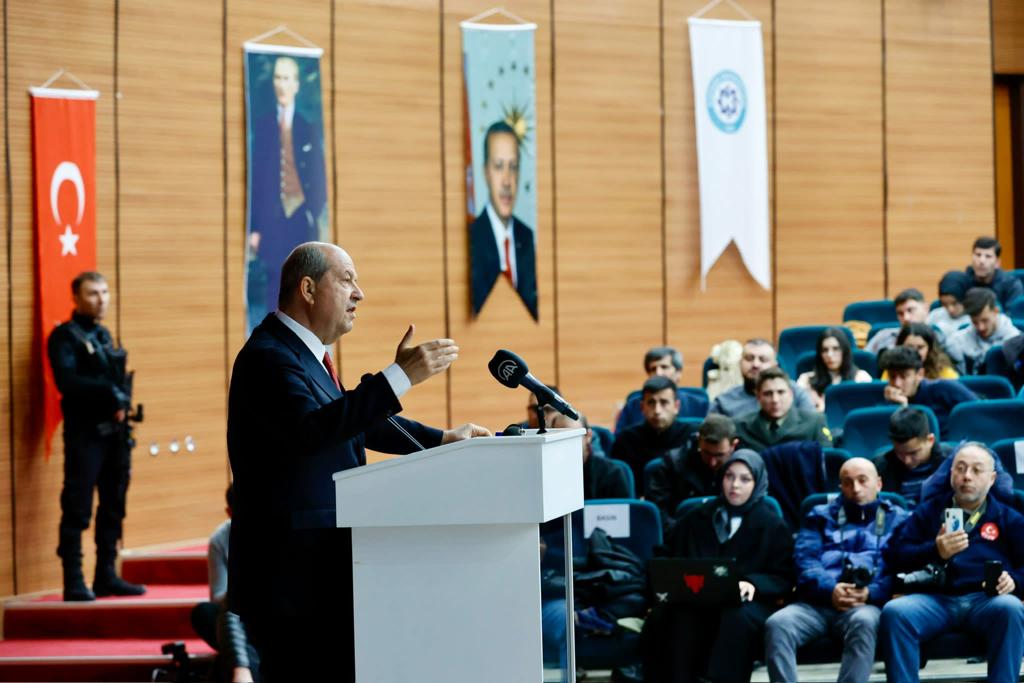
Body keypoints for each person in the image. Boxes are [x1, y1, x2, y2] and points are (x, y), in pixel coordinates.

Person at [227, 242, 490, 681]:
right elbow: (314, 429)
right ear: (308, 289)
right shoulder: (267, 356)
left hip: (316, 570)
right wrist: (400, 376)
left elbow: (352, 423)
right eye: (347, 280)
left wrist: (442, 439)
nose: (359, 293)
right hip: (290, 575)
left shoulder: (303, 355)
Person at [642, 450, 794, 682]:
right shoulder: (696, 517)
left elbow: (784, 575)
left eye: (745, 479)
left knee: (736, 618)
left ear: (757, 483)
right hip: (696, 598)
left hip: (747, 604)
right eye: (729, 476)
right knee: (671, 616)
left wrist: (753, 583)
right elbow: (668, 556)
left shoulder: (772, 525)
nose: (735, 485)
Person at [880, 442, 1024, 683]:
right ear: (951, 474)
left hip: (986, 600)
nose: (967, 476)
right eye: (961, 468)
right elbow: (896, 556)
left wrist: (1015, 581)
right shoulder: (928, 512)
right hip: (936, 598)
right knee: (895, 612)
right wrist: (936, 550)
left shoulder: (1009, 518)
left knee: (1011, 608)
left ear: (991, 479)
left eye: (976, 470)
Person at [764, 458, 908, 683]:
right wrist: (830, 589)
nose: (855, 488)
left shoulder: (899, 519)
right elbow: (805, 560)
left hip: (866, 603)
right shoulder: (819, 515)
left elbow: (902, 568)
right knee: (778, 623)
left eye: (862, 480)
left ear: (878, 483)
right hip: (817, 602)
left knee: (865, 622)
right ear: (840, 487)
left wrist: (871, 592)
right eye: (848, 483)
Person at [48, 271, 145, 602]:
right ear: (75, 297)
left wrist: (120, 400)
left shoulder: (102, 334)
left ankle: (106, 575)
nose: (101, 299)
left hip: (115, 435)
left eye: (104, 292)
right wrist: (108, 393)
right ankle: (73, 580)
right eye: (93, 293)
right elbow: (67, 382)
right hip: (85, 436)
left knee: (114, 505)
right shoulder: (64, 336)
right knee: (77, 507)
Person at [248, 56, 329, 328]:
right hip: (271, 217)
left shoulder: (307, 126)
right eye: (277, 78)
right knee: (274, 279)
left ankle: (302, 333)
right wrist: (255, 228)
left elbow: (318, 173)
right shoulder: (263, 126)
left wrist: (312, 212)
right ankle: (274, 336)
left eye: (286, 78)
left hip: (300, 215)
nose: (281, 84)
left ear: (296, 84)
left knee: (304, 280)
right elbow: (257, 178)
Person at [470, 120, 538, 319]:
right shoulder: (473, 238)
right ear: (485, 172)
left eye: (513, 167)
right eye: (499, 166)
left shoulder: (527, 237)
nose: (507, 181)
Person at [190, 485, 258, 683]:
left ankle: (239, 665)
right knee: (204, 613)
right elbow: (219, 596)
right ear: (229, 512)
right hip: (233, 613)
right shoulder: (219, 539)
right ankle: (243, 662)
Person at [646, 414, 738, 535]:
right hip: (681, 533)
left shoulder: (744, 468)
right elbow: (658, 510)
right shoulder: (673, 464)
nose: (712, 462)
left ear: (733, 446)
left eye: (719, 455)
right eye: (706, 453)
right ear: (699, 440)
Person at [611, 376, 695, 496]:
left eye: (664, 402)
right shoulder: (626, 440)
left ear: (676, 407)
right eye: (651, 403)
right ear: (642, 407)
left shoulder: (692, 437)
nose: (657, 411)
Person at [879, 346, 976, 439]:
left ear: (920, 374)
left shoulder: (944, 388)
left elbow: (978, 410)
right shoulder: (886, 403)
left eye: (904, 376)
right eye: (892, 377)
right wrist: (899, 409)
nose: (897, 383)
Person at [709, 338, 816, 417]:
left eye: (763, 359)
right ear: (740, 363)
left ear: (775, 365)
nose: (755, 364)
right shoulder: (724, 401)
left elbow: (814, 428)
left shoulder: (796, 393)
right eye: (749, 358)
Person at [734, 368, 832, 452]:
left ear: (791, 394)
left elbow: (827, 458)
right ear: (758, 397)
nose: (775, 400)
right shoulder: (741, 426)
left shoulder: (814, 422)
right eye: (768, 394)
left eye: (781, 392)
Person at [615, 346, 708, 433]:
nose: (658, 373)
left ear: (678, 373)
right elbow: (619, 439)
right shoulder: (632, 406)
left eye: (664, 367)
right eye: (653, 369)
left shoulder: (700, 404)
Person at [873, 407, 953, 506]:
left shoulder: (952, 462)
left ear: (930, 440)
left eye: (913, 453)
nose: (907, 461)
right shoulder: (881, 466)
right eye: (899, 453)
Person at [549, 412, 630, 499]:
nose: (565, 444)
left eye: (572, 437)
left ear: (588, 436)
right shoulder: (548, 475)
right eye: (558, 438)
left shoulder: (612, 474)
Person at [944, 287, 1021, 375]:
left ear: (996, 311)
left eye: (985, 320)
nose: (981, 327)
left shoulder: (1016, 342)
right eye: (975, 322)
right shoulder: (957, 340)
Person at [796, 327, 872, 412]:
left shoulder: (861, 378)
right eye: (825, 350)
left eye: (836, 349)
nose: (830, 355)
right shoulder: (806, 380)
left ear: (844, 351)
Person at [964, 235, 1024, 310]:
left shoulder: (1011, 285)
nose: (981, 261)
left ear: (997, 263)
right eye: (978, 255)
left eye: (988, 256)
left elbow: (1014, 313)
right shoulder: (963, 282)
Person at [865, 288, 931, 354]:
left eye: (910, 310)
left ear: (926, 308)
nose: (906, 318)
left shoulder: (937, 335)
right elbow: (864, 358)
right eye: (900, 313)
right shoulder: (883, 337)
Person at [892, 322, 958, 380]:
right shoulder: (891, 371)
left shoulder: (945, 373)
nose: (914, 352)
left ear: (930, 349)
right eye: (909, 347)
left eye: (920, 347)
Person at [927, 270, 972, 339]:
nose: (950, 309)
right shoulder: (935, 315)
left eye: (954, 303)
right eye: (945, 304)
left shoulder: (975, 320)